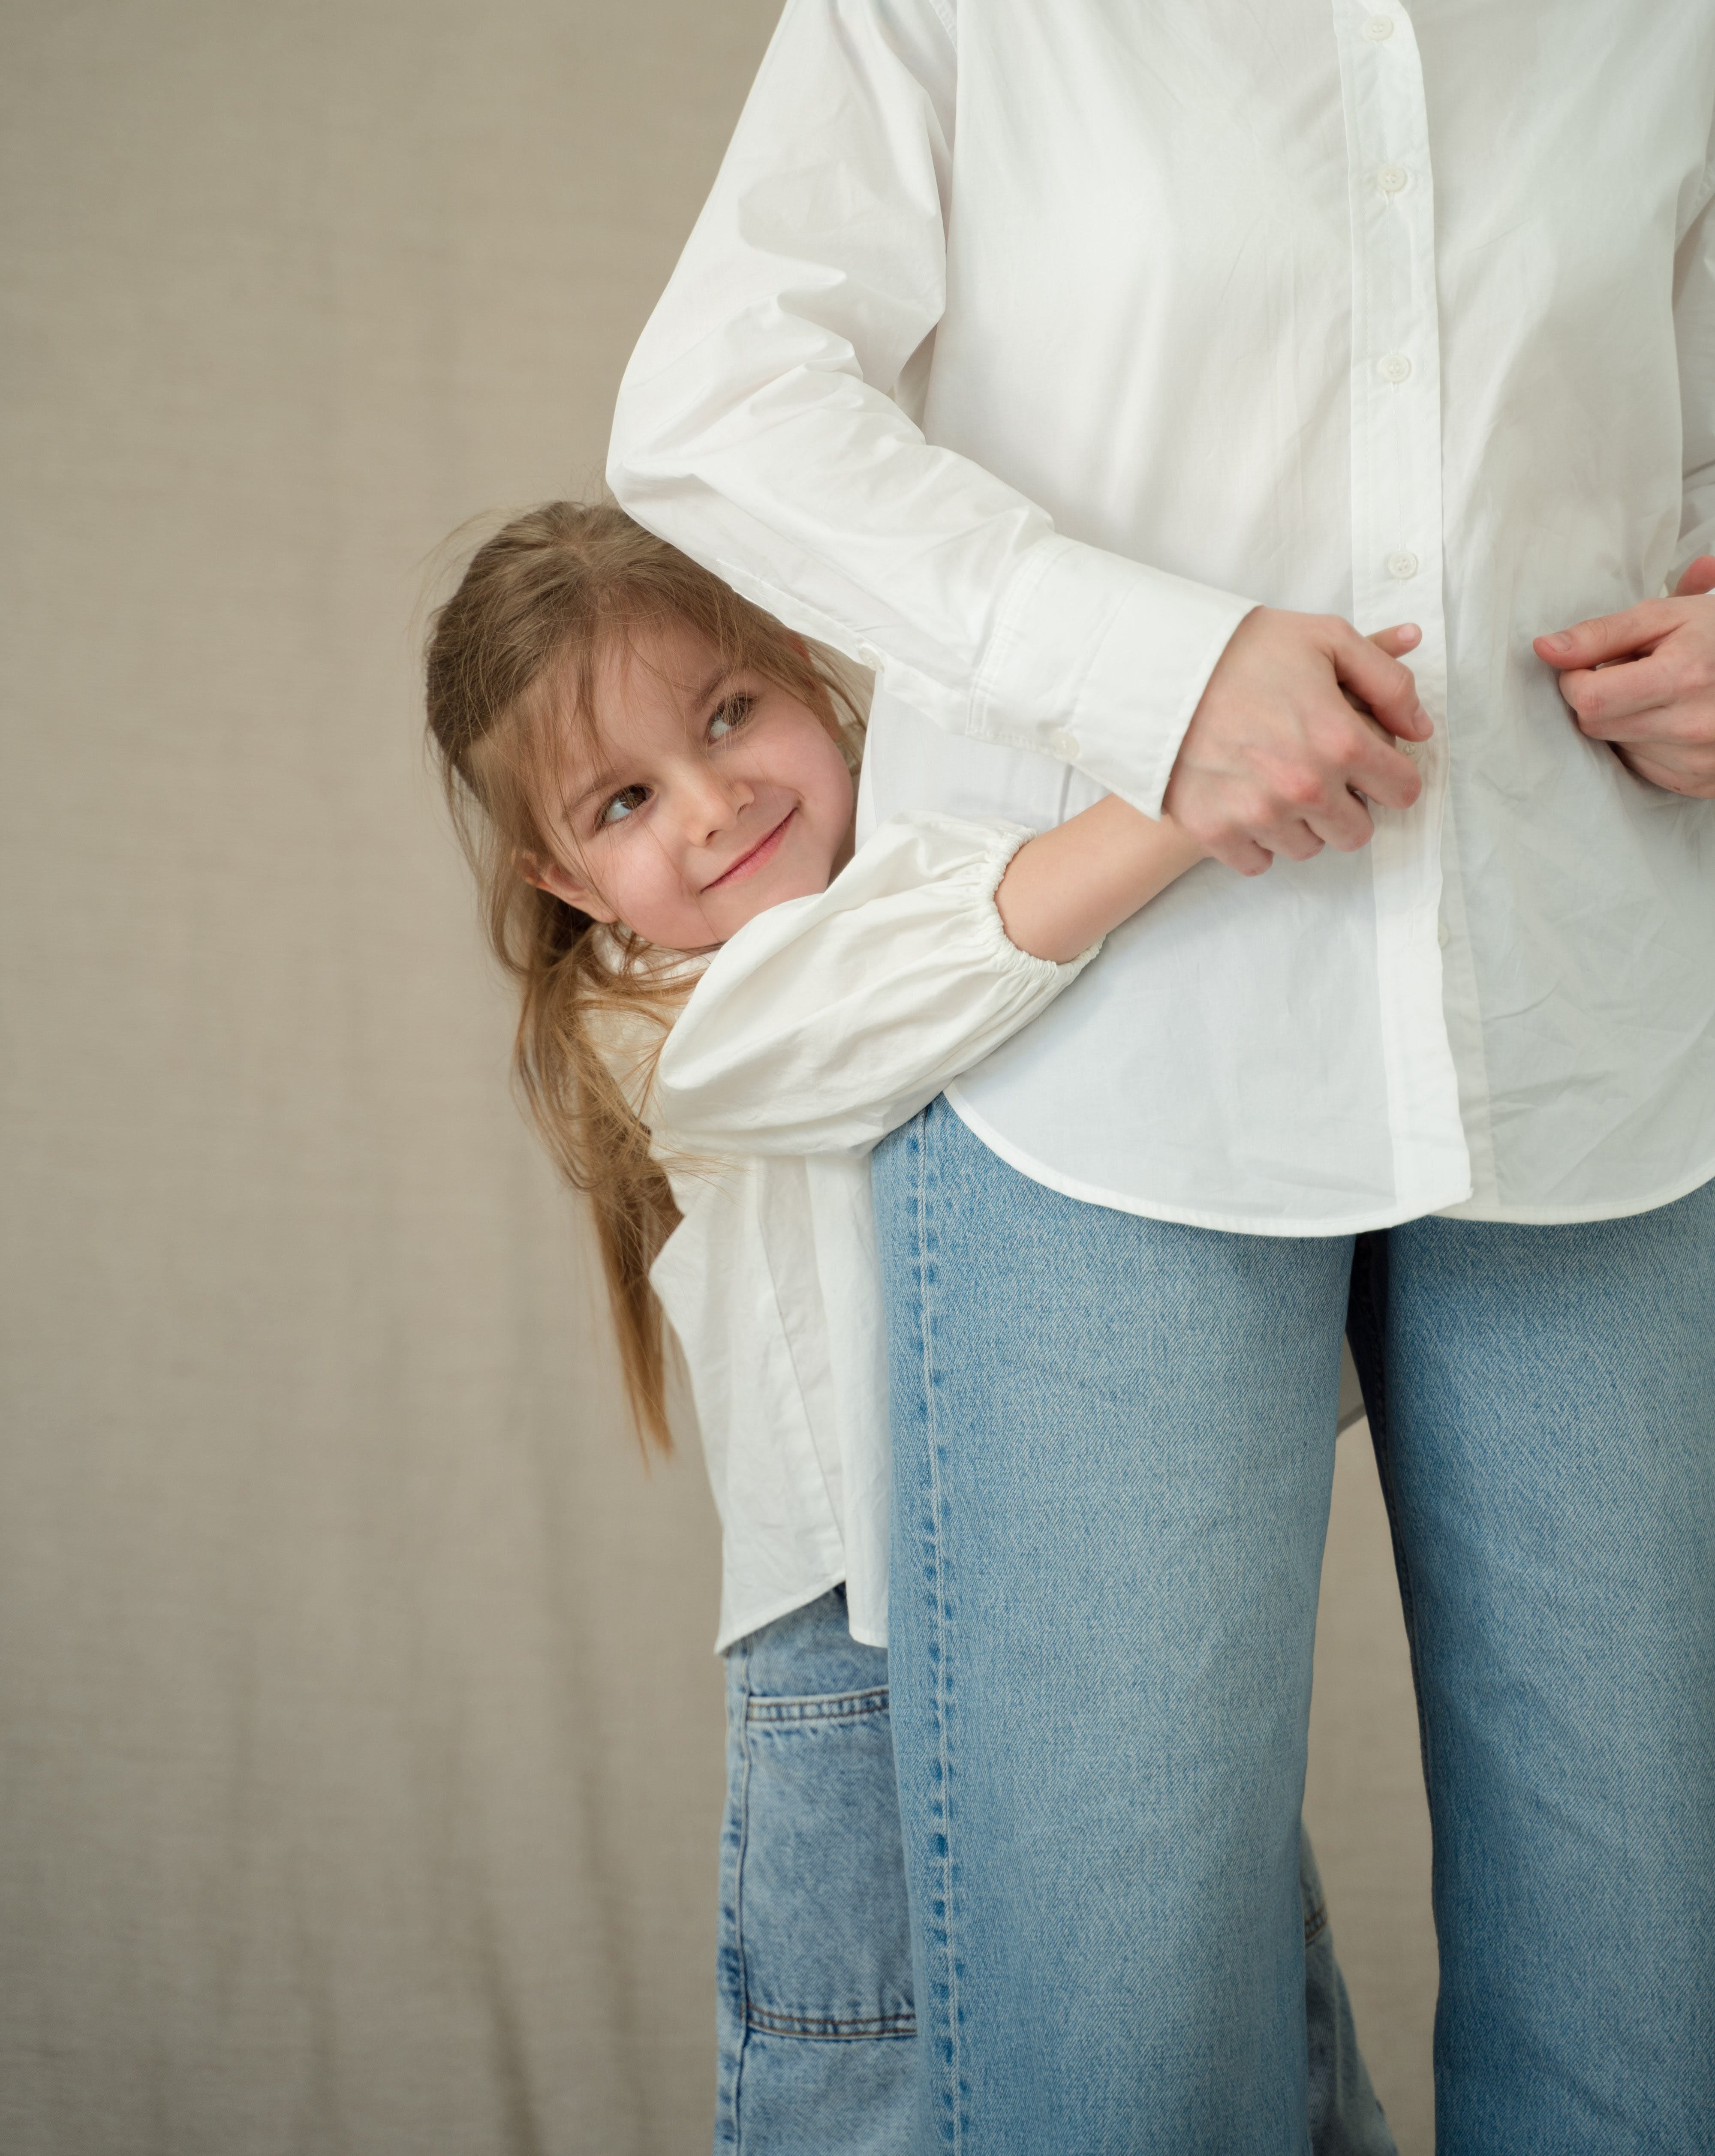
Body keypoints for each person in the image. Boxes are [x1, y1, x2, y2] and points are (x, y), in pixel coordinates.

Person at [605, 0, 1715, 2147]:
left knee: (1653, 2026)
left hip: (1596, 1065)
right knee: (1114, 2052)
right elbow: (725, 397)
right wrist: (1149, 658)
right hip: (1101, 1075)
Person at [422, 500, 1399, 2156]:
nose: (718, 800)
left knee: (1219, 2030)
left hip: (1099, 1604)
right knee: (873, 2076)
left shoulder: (956, 839)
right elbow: (878, 989)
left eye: (732, 713)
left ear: (812, 672)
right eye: (628, 798)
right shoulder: (655, 1028)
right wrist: (1190, 792)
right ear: (562, 876)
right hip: (852, 1659)